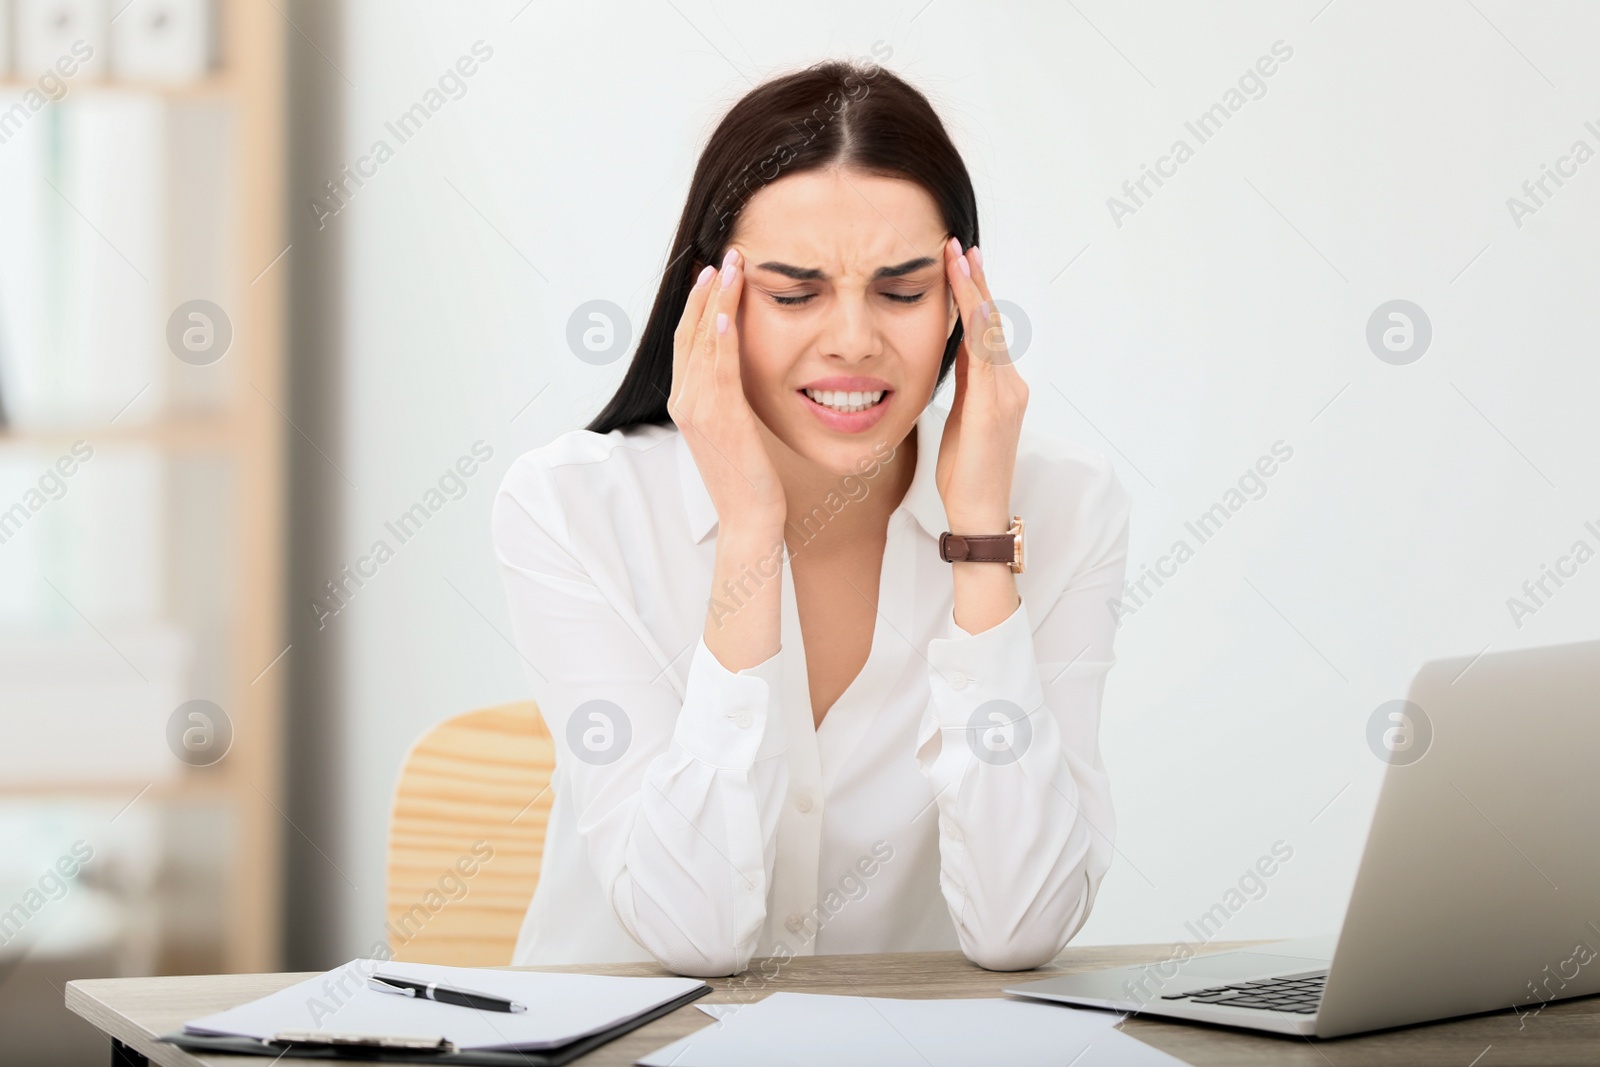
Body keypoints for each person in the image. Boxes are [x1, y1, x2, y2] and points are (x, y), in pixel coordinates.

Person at [492, 58, 1131, 978]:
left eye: (904, 291)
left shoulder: (1065, 504)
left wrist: (981, 538)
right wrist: (749, 532)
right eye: (795, 294)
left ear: (963, 301)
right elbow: (694, 933)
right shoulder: (572, 506)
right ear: (710, 299)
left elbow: (1022, 925)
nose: (853, 340)